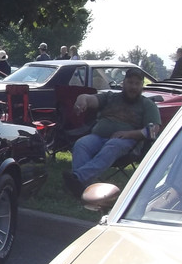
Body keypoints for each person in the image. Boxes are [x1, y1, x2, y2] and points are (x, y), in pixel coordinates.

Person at [62, 66, 160, 196]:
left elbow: (154, 130)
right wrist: (82, 98)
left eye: (137, 84)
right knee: (81, 144)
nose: (133, 87)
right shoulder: (111, 97)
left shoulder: (147, 105)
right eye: (130, 82)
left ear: (142, 86)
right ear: (124, 83)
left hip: (128, 142)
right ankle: (82, 188)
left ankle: (78, 179)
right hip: (98, 137)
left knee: (112, 145)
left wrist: (128, 134)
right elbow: (91, 99)